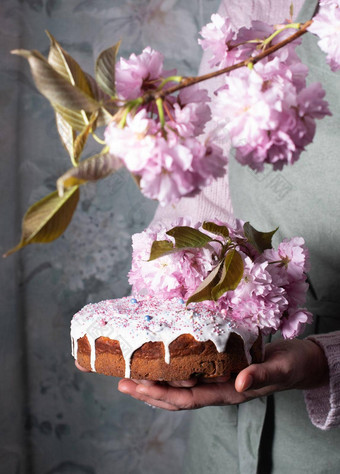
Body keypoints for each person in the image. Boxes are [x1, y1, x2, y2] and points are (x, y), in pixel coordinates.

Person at [78, 1, 340, 472]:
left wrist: (325, 360)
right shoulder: (257, 8)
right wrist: (177, 304)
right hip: (223, 434)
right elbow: (203, 195)